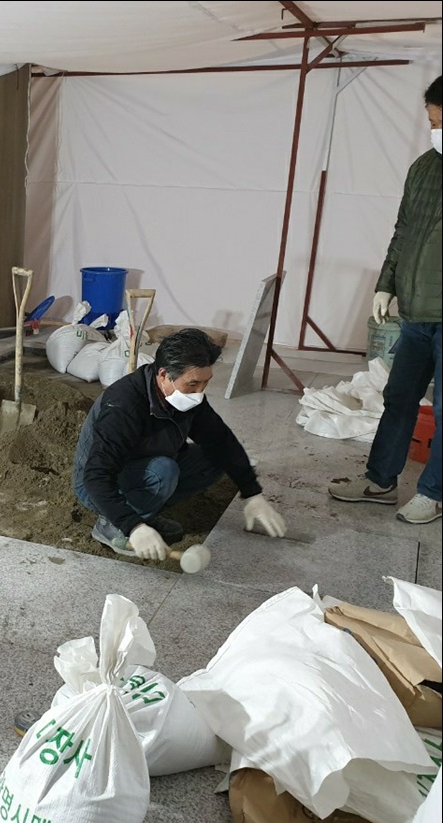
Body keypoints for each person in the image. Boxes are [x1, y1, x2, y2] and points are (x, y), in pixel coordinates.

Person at [329, 76, 442, 524]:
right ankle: (380, 482)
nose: (436, 131)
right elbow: (403, 230)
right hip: (416, 314)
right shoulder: (423, 167)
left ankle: (433, 494)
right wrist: (387, 283)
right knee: (399, 397)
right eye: (432, 122)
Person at [72, 328, 286, 561]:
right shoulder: (124, 406)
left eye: (205, 383)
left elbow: (221, 440)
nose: (199, 393)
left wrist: (252, 493)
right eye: (193, 384)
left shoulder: (187, 398)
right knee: (163, 471)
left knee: (215, 458)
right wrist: (133, 526)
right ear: (164, 375)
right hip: (96, 485)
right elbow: (96, 476)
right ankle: (113, 525)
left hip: (142, 466)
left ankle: (145, 511)